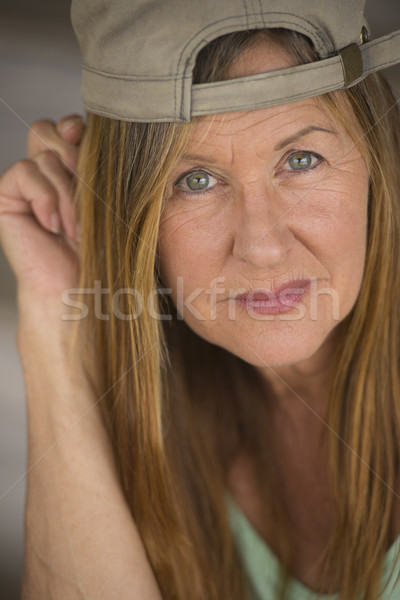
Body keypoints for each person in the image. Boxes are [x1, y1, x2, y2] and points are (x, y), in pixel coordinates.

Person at [2, 0, 400, 598]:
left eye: (301, 159)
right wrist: (54, 335)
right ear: (132, 221)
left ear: (376, 166)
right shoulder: (155, 421)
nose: (262, 247)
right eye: (197, 181)